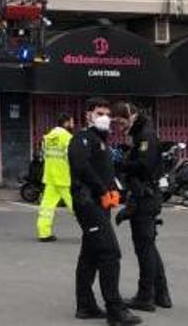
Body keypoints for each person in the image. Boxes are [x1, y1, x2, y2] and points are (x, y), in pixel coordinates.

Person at [68, 98, 141, 326]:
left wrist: (115, 190)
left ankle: (85, 305)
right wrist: (102, 190)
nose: (104, 117)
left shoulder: (102, 141)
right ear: (88, 115)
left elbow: (105, 170)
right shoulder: (81, 139)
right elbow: (81, 167)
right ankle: (115, 309)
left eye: (107, 114)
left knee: (90, 254)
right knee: (110, 253)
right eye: (100, 112)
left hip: (101, 204)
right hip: (87, 203)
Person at [113, 102, 172, 312]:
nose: (119, 126)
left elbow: (144, 166)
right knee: (148, 247)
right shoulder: (139, 135)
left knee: (144, 248)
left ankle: (146, 296)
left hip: (146, 197)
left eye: (121, 121)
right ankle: (161, 294)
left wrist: (120, 164)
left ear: (132, 115)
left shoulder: (145, 135)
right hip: (144, 196)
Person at [36, 113, 75, 243]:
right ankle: (92, 232)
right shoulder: (67, 137)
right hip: (65, 177)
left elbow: (44, 156)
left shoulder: (48, 137)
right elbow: (72, 158)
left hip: (50, 177)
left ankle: (44, 233)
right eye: (71, 122)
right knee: (78, 206)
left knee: (46, 207)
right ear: (66, 123)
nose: (73, 125)